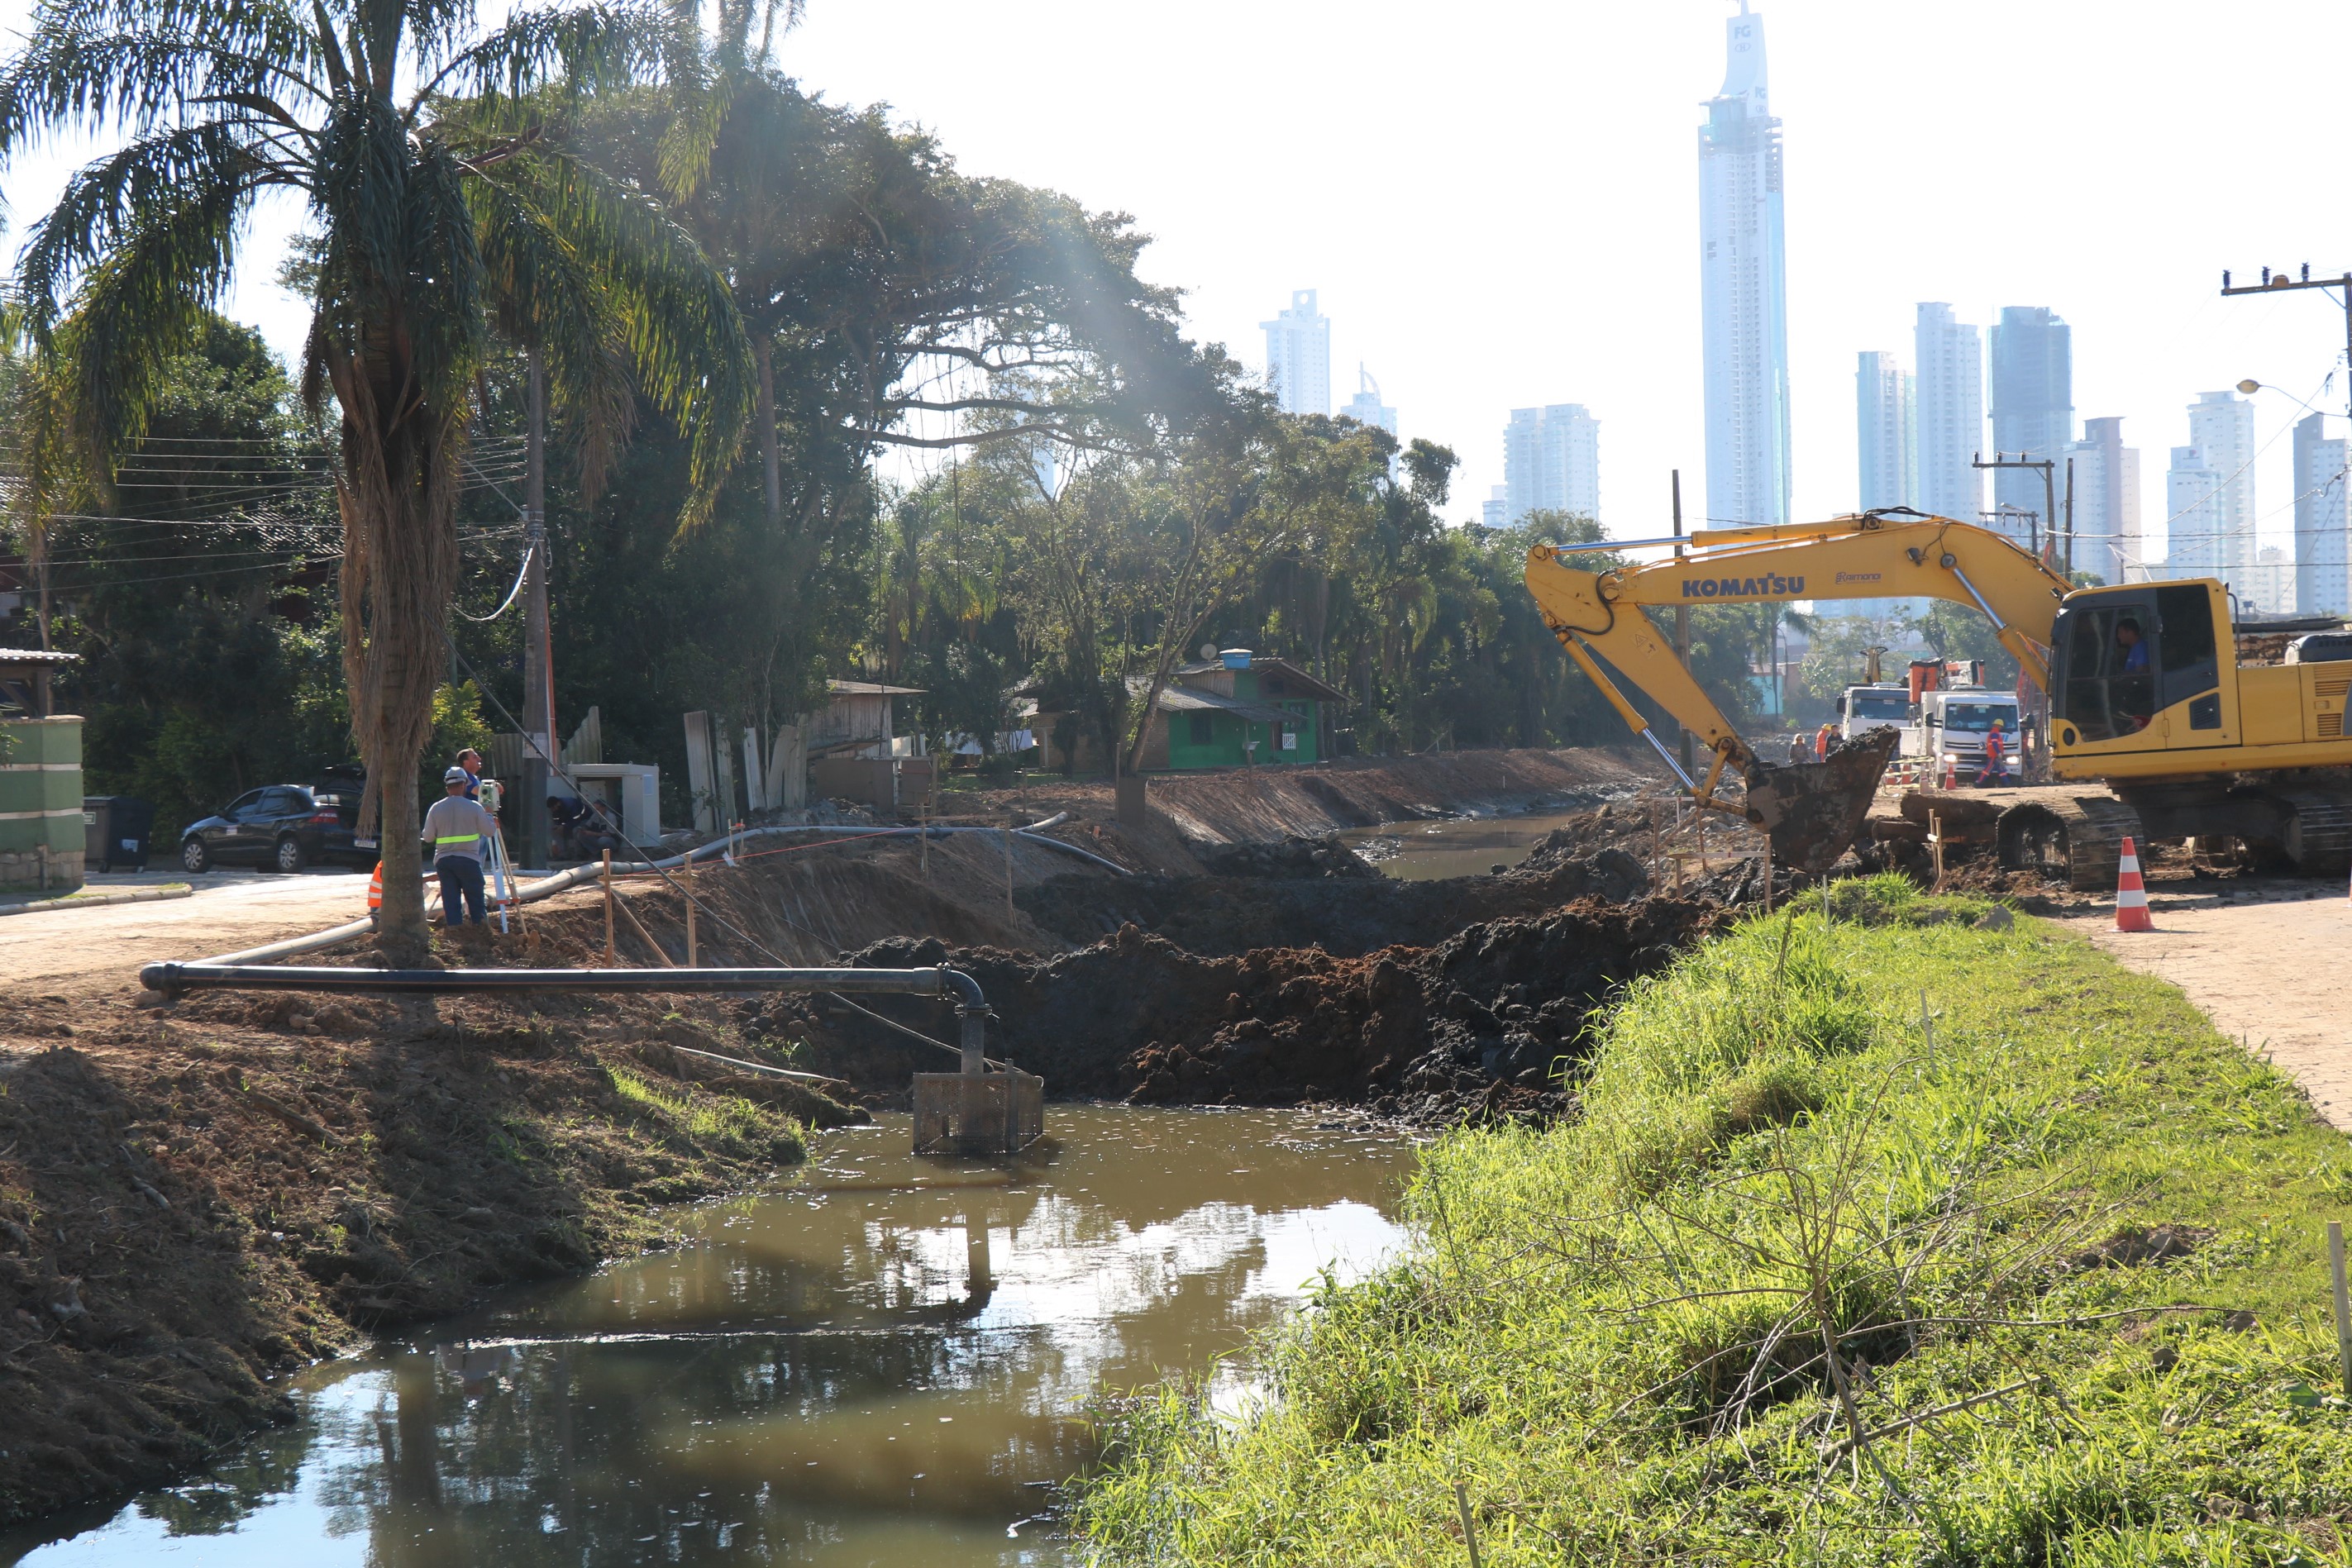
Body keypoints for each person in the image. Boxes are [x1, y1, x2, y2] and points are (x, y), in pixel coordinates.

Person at [422, 766, 498, 926]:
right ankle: (481, 933)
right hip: (468, 861)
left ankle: (455, 933)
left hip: (445, 862)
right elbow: (490, 831)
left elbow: (427, 837)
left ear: (447, 786)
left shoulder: (436, 808)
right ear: (463, 785)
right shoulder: (475, 807)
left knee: (451, 903)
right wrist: (489, 815)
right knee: (476, 901)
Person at [546, 794, 591, 860]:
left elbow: (577, 820)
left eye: (553, 807)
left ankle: (579, 855)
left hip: (585, 819)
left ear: (558, 804)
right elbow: (557, 819)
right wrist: (558, 826)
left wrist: (564, 826)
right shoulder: (556, 809)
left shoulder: (570, 804)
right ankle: (564, 854)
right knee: (557, 831)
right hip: (572, 821)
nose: (553, 810)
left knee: (576, 831)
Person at [1975, 719, 2008, 787]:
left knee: (2002, 770)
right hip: (1994, 756)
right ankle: (1978, 783)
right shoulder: (1994, 733)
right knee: (1987, 770)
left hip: (1995, 756)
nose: (2001, 727)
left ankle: (2007, 783)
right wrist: (1998, 752)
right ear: (1998, 726)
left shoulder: (1994, 733)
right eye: (2001, 726)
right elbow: (1995, 744)